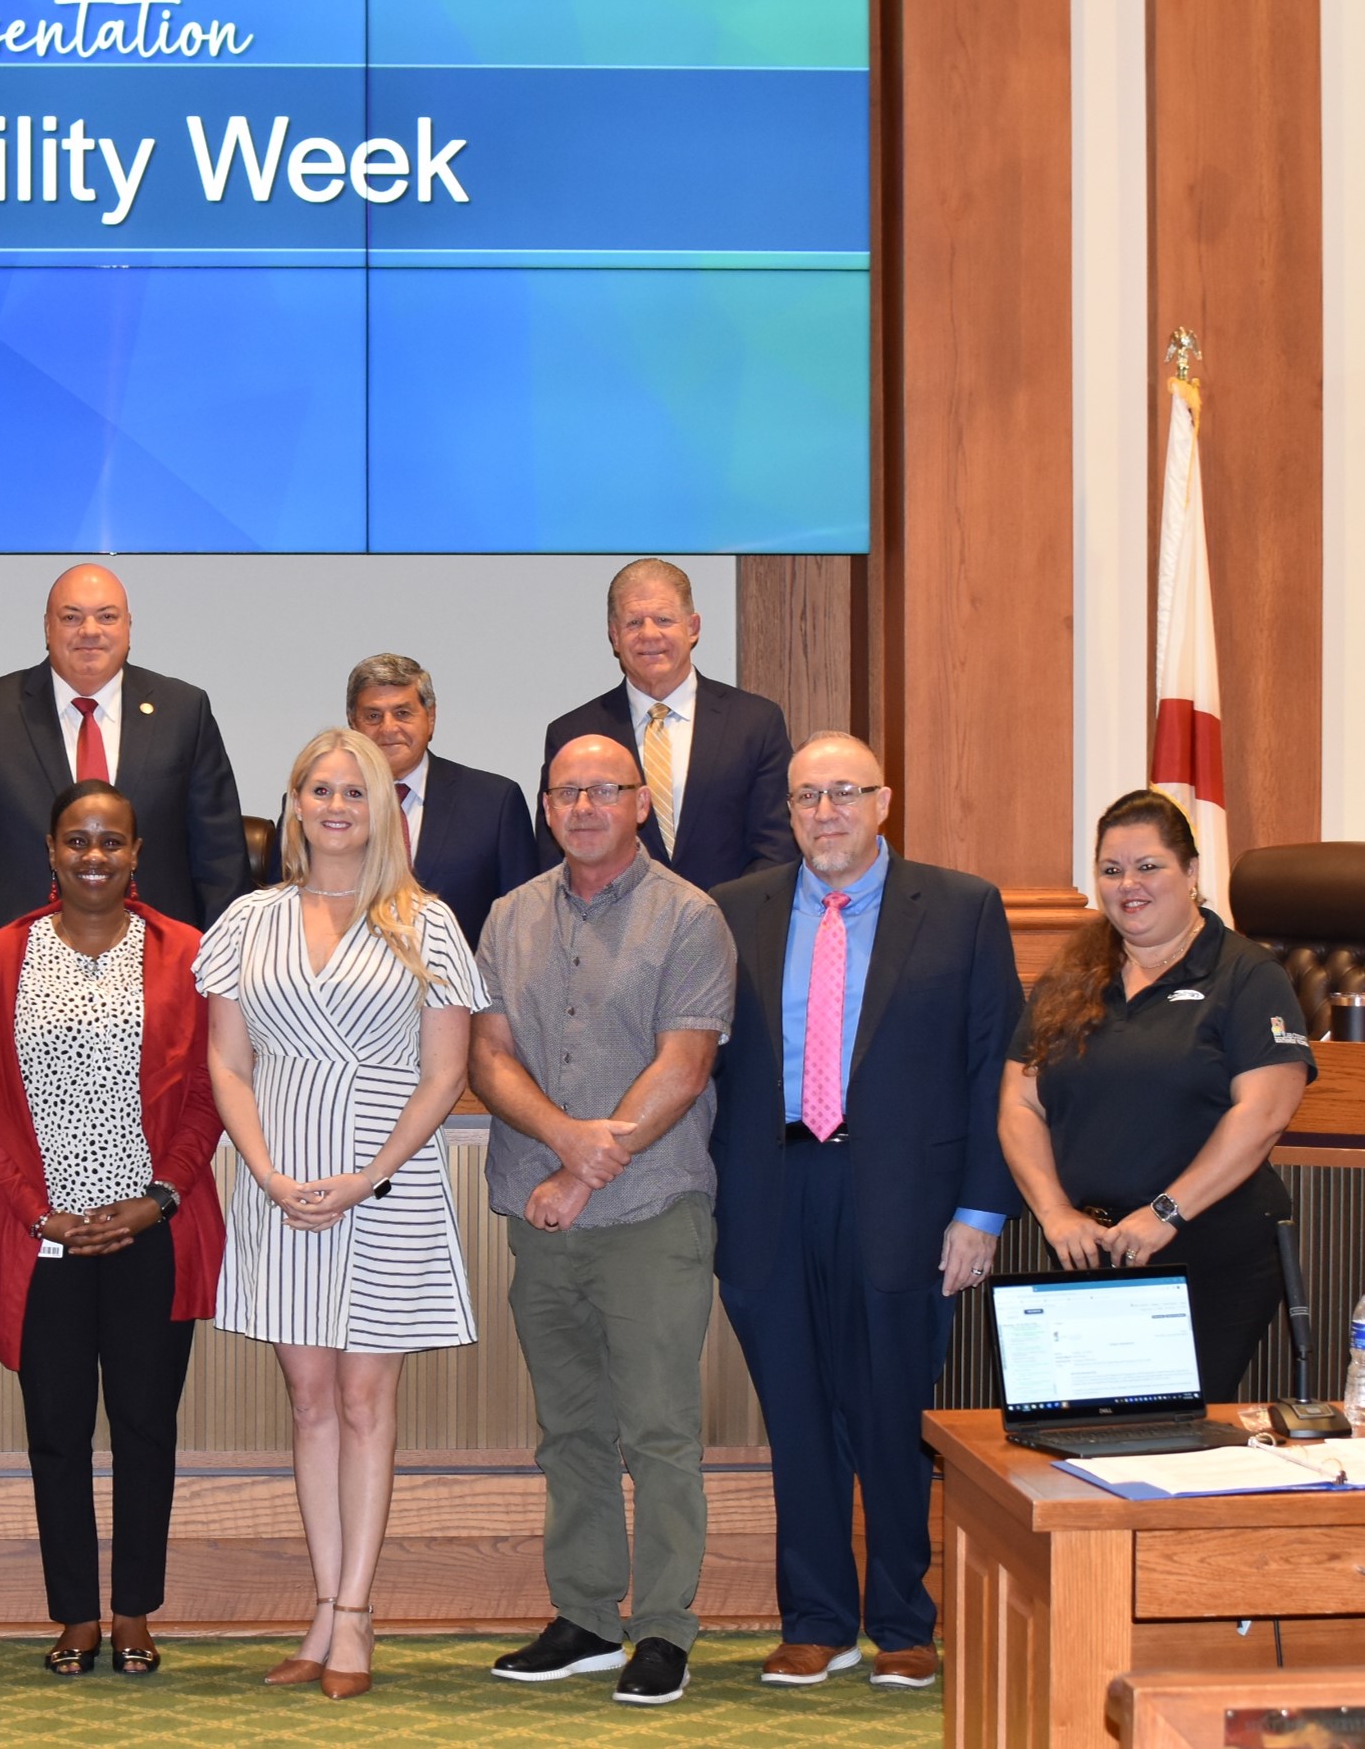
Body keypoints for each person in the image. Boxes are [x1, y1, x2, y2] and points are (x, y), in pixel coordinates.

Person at [708, 732, 1021, 1690]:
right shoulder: (736, 909)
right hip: (771, 1192)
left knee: (892, 1413)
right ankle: (814, 1618)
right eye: (808, 797)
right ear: (789, 811)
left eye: (845, 792)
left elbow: (994, 1068)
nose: (825, 812)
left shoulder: (961, 907)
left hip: (907, 1201)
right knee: (795, 1414)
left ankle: (901, 1619)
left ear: (883, 802)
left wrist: (981, 1210)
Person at [199, 728, 485, 1701]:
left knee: (365, 1403)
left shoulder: (425, 922)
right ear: (293, 804)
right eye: (316, 789)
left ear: (381, 810)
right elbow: (226, 1065)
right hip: (278, 1185)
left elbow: (445, 1074)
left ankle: (355, 1614)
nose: (332, 807)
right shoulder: (247, 921)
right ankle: (320, 1610)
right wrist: (267, 1172)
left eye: (352, 792)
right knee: (309, 1403)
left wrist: (365, 1175)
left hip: (382, 1186)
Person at [471, 734, 736, 1708]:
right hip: (537, 1214)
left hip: (649, 1211)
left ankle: (664, 1628)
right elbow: (487, 1056)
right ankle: (585, 1614)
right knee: (569, 1430)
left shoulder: (688, 918)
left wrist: (586, 1170)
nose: (583, 806)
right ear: (546, 808)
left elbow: (684, 1066)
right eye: (566, 792)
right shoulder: (507, 918)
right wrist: (561, 1143)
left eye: (604, 790)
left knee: (658, 1433)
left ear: (637, 802)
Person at [0, 780, 227, 1679]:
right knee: (57, 1431)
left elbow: (206, 1093)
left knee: (145, 1427)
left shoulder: (184, 954)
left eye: (112, 841)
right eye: (78, 840)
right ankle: (74, 1614)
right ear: (51, 850)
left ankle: (134, 1611)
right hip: (47, 1236)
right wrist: (37, 1209)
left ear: (137, 852)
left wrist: (161, 1196)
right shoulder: (1, 958)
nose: (95, 856)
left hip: (153, 1229)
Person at [1000, 788, 1315, 1399]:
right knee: (1076, 1429)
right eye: (1112, 870)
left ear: (1192, 872)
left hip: (1209, 1250)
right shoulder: (1072, 975)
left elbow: (1266, 1111)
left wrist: (1165, 1213)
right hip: (1088, 1252)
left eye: (1149, 866)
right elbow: (1019, 1103)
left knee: (1164, 1438)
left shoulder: (1247, 974)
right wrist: (1055, 1212)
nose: (1128, 885)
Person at [0, 563, 250, 931]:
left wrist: (220, 967)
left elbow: (220, 859)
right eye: (71, 617)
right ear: (47, 628)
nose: (90, 631)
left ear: (128, 627)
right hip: (21, 957)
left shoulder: (184, 711)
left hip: (158, 957)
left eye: (107, 616)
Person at [537, 558, 793, 891]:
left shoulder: (755, 723)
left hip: (731, 930)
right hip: (609, 936)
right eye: (633, 622)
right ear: (614, 635)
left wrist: (722, 920)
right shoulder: (573, 734)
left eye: (663, 619)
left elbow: (776, 848)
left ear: (693, 627)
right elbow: (556, 858)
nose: (649, 634)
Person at [264, 654, 533, 948]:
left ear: (430, 718)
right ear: (353, 723)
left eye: (403, 713)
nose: (388, 728)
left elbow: (519, 927)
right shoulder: (319, 810)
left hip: (456, 988)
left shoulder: (494, 803)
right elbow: (283, 910)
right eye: (373, 716)